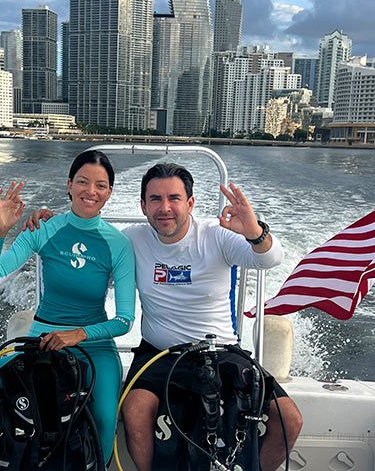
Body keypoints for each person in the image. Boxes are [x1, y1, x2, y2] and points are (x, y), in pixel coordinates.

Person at [28, 161, 303, 471]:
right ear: (143, 205)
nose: (165, 208)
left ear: (190, 203)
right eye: (155, 199)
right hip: (158, 353)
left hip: (221, 351)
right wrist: (57, 225)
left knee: (289, 419)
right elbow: (90, 246)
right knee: (134, 411)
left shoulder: (218, 235)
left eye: (174, 198)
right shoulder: (131, 240)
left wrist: (254, 232)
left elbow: (270, 258)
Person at [0, 150, 136, 468]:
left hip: (94, 347)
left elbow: (125, 320)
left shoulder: (119, 244)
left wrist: (76, 334)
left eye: (101, 185)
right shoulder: (43, 229)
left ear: (110, 193)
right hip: (41, 344)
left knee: (103, 418)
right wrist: (0, 231)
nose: (91, 191)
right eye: (83, 182)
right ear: (69, 184)